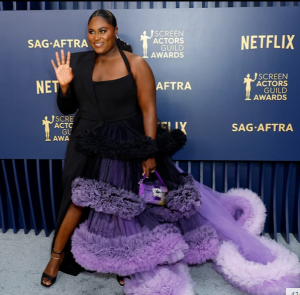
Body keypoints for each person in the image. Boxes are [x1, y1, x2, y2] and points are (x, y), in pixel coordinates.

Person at [41, 9, 300, 294]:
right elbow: (67, 108)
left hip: (126, 142)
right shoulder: (77, 61)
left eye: (102, 30)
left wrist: (149, 150)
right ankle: (57, 258)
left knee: (125, 207)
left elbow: (149, 109)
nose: (96, 37)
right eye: (91, 31)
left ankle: (124, 262)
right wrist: (64, 86)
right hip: (86, 140)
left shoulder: (137, 64)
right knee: (75, 201)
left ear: (115, 30)